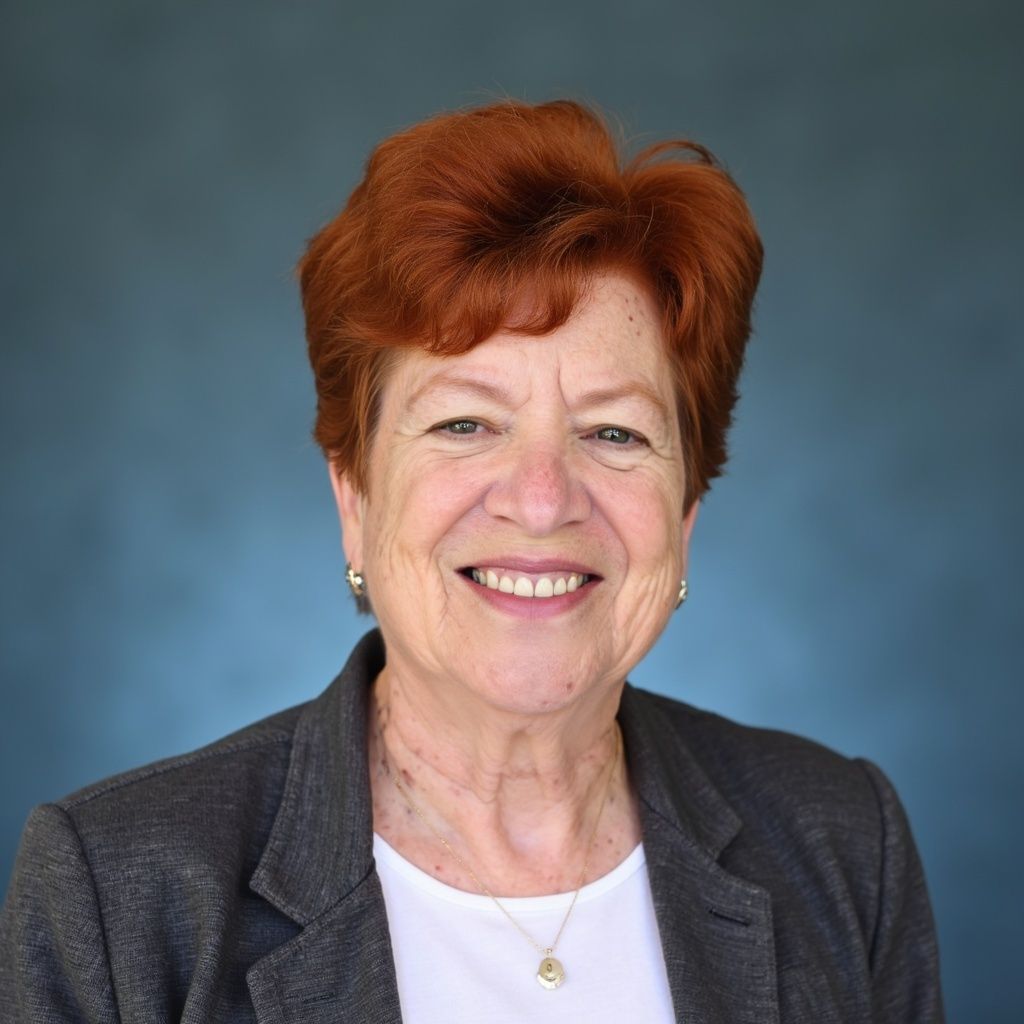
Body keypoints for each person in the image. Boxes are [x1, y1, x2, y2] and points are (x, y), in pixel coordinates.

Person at [0, 99, 944, 1023]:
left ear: (687, 511)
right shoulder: (122, 892)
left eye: (613, 432)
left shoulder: (841, 842)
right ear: (356, 498)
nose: (542, 498)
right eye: (465, 423)